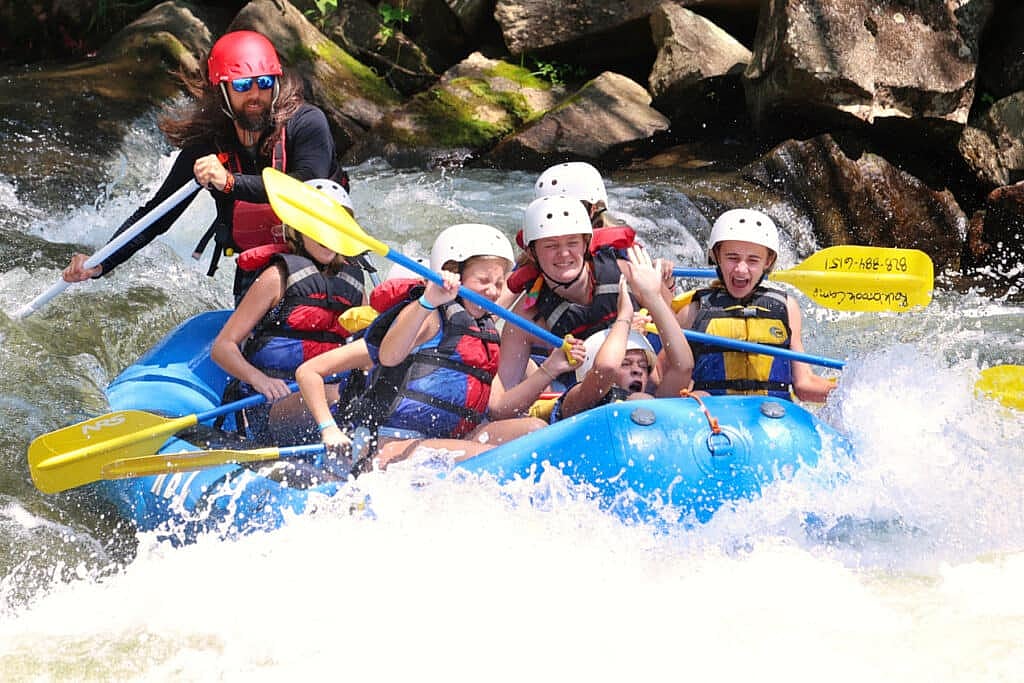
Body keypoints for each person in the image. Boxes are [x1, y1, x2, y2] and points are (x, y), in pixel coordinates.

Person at [62, 30, 349, 301]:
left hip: (325, 257)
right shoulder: (207, 143)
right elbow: (157, 215)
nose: (255, 95)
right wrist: (101, 262)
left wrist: (230, 182)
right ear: (221, 90)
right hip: (260, 271)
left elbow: (307, 188)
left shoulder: (306, 123)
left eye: (264, 82)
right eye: (242, 85)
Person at [300, 223, 584, 472]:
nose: (493, 292)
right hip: (394, 445)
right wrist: (329, 429)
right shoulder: (428, 315)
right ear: (452, 274)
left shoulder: (482, 333)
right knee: (490, 456)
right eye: (483, 281)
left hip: (454, 440)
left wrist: (551, 368)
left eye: (499, 283)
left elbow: (499, 408)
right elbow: (388, 355)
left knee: (535, 431)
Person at [210, 178, 369, 446]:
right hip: (274, 400)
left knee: (367, 392)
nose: (328, 235)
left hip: (333, 394)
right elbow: (222, 347)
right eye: (318, 226)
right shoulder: (277, 277)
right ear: (298, 229)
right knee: (340, 398)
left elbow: (368, 352)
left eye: (336, 226)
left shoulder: (354, 285)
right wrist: (259, 380)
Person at [498, 194, 674, 391]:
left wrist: (657, 298)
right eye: (551, 245)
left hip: (643, 383)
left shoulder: (629, 275)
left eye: (572, 243)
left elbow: (679, 336)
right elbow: (505, 396)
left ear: (586, 244)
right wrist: (547, 371)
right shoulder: (526, 318)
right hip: (575, 395)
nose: (564, 254)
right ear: (532, 253)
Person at [674, 208, 835, 403]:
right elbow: (664, 377)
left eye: (753, 260)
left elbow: (804, 385)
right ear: (717, 255)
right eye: (732, 257)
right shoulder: (693, 311)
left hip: (773, 416)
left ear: (768, 261)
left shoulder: (786, 308)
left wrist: (850, 391)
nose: (741, 269)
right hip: (713, 415)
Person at [548, 246, 693, 421]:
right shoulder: (577, 402)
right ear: (588, 369)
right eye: (626, 363)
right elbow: (605, 369)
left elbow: (683, 366)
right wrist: (624, 316)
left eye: (642, 366)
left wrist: (653, 297)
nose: (637, 371)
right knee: (640, 400)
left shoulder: (657, 401)